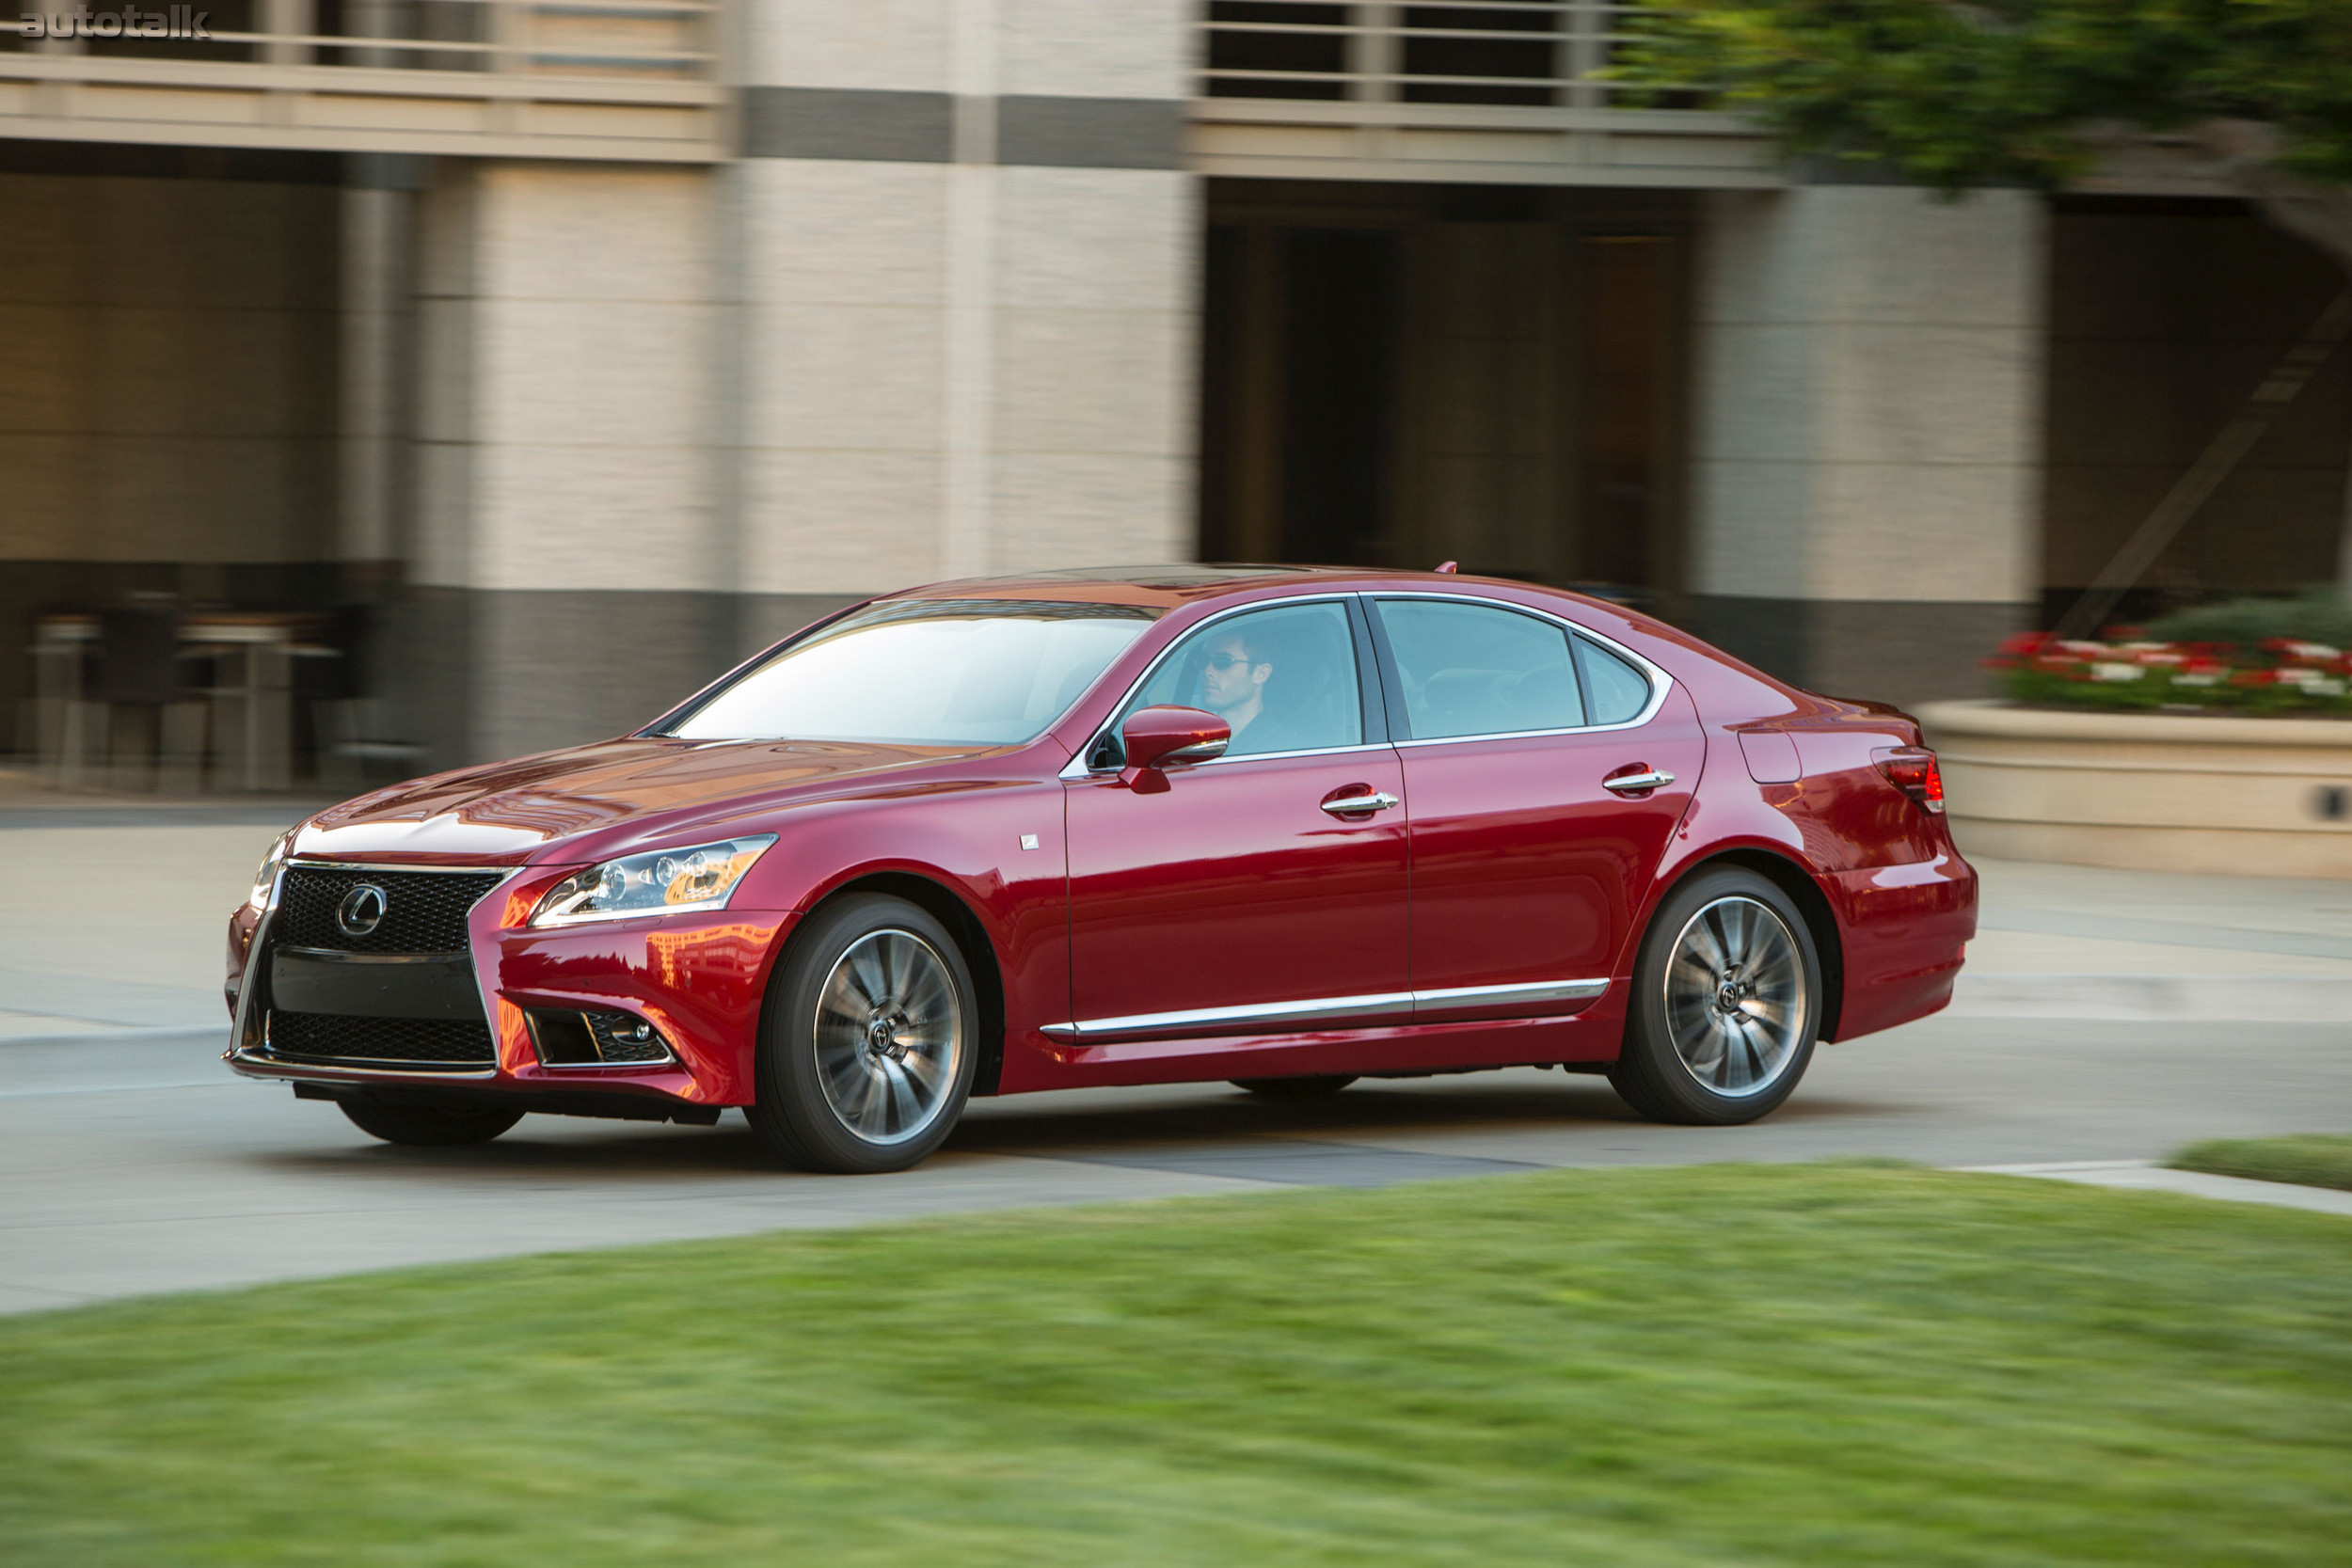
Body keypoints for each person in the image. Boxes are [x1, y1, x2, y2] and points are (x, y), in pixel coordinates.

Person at [1197, 626, 1279, 752]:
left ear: (1260, 674)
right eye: (1203, 660)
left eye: (1223, 661)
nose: (1208, 671)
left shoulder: (1281, 747)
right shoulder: (1197, 736)